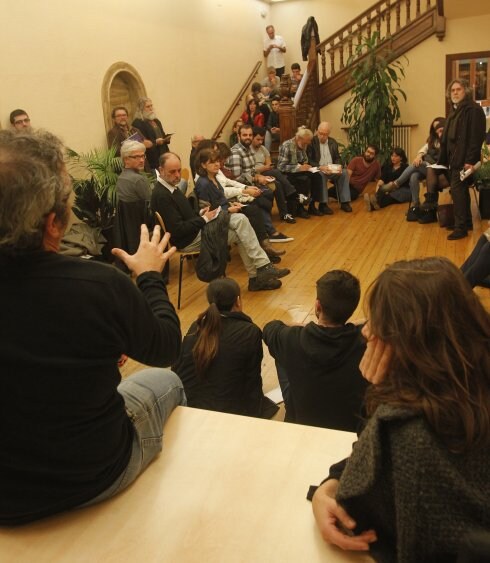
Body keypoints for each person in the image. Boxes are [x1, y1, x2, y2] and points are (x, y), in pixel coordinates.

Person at [0, 129, 186, 525]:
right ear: (53, 224)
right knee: (166, 381)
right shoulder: (99, 285)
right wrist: (151, 275)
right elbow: (167, 347)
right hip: (92, 474)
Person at [310, 257, 490, 561]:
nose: (366, 332)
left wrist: (380, 396)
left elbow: (362, 492)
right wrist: (327, 486)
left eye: (378, 321)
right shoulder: (470, 386)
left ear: (410, 341)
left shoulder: (409, 435)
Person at [151, 152, 289, 292]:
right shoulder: (162, 195)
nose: (177, 175)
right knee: (241, 221)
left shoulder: (171, 187)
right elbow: (178, 230)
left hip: (196, 231)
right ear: (161, 170)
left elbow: (186, 216)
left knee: (241, 228)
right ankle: (262, 270)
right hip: (188, 240)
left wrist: (201, 214)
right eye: (172, 172)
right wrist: (204, 219)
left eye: (179, 170)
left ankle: (257, 276)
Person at [263, 270, 367, 431]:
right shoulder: (365, 343)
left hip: (303, 422)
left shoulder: (291, 338)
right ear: (351, 309)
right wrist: (355, 324)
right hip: (351, 427)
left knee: (281, 354)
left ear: (318, 306)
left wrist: (303, 326)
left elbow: (270, 327)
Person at [172, 278, 278, 418]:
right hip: (227, 415)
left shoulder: (196, 326)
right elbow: (252, 381)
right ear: (238, 301)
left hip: (188, 408)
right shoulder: (249, 331)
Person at [194, 148, 284, 263]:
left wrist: (231, 203)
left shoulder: (213, 177)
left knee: (254, 209)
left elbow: (220, 199)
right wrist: (229, 209)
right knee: (252, 212)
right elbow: (206, 211)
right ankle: (264, 251)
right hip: (218, 218)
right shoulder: (203, 183)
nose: (217, 164)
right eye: (212, 162)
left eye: (217, 161)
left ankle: (265, 248)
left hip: (226, 208)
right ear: (203, 165)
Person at [439, 79, 486, 240]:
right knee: (460, 192)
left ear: (466, 91)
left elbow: (476, 138)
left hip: (464, 160)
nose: (455, 93)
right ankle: (465, 222)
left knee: (458, 192)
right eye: (452, 90)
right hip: (454, 159)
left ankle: (461, 228)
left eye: (458, 89)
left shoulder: (473, 110)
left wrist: (470, 161)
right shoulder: (455, 111)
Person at [379, 117, 445, 221]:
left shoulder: (447, 140)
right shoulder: (432, 140)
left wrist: (422, 160)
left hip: (438, 169)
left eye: (439, 128)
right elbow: (423, 150)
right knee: (414, 175)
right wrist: (419, 156)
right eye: (435, 128)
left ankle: (396, 184)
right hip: (428, 168)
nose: (437, 131)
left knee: (417, 165)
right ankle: (415, 204)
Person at [277, 126, 329, 218]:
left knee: (318, 176)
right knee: (304, 179)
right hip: (289, 172)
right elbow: (281, 166)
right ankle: (300, 207)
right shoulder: (287, 145)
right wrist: (298, 168)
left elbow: (305, 160)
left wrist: (306, 166)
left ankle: (312, 205)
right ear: (299, 139)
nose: (308, 143)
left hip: (301, 169)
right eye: (307, 141)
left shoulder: (303, 145)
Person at [114, 140, 152, 259]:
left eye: (142, 156)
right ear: (126, 160)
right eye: (136, 157)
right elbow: (151, 204)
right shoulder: (138, 180)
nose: (141, 160)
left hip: (130, 232)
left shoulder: (121, 178)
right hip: (143, 227)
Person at [307, 122, 353, 212]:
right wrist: (320, 167)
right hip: (318, 169)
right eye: (320, 133)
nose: (322, 136)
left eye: (325, 134)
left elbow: (337, 158)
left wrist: (338, 166)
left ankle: (344, 202)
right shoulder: (312, 142)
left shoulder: (333, 142)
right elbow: (309, 160)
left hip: (331, 168)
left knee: (343, 173)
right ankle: (323, 204)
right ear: (317, 131)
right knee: (321, 175)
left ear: (328, 134)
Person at [364, 147, 411, 212]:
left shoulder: (405, 167)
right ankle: (374, 203)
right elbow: (381, 180)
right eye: (392, 156)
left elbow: (404, 182)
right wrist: (378, 191)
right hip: (388, 189)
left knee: (388, 197)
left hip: (402, 190)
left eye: (396, 156)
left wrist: (389, 188)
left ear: (401, 158)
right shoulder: (387, 166)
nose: (393, 158)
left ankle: (371, 205)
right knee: (383, 192)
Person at [132, 97, 172, 170]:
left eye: (151, 106)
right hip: (152, 159)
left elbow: (162, 135)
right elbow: (141, 142)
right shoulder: (137, 123)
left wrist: (166, 138)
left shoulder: (156, 121)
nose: (151, 108)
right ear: (141, 109)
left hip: (164, 155)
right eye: (148, 106)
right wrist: (155, 142)